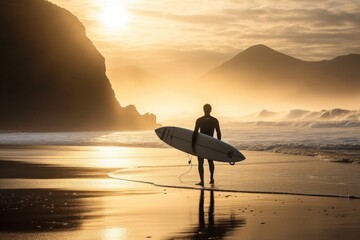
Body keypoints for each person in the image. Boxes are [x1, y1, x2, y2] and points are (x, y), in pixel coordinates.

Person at [192, 104, 221, 186]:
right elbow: (218, 132)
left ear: (203, 109)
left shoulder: (199, 120)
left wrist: (193, 145)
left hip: (200, 143)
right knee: (210, 161)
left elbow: (195, 133)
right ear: (211, 110)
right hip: (210, 143)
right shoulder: (215, 120)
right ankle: (211, 178)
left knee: (200, 162)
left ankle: (202, 181)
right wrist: (219, 144)